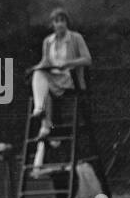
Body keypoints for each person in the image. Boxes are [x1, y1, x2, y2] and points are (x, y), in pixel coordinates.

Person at [29, 9, 92, 138]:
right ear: (52, 24)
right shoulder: (48, 41)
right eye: (56, 21)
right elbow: (45, 61)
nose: (60, 24)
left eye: (62, 20)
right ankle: (43, 116)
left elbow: (87, 59)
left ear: (67, 22)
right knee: (38, 74)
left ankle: (45, 124)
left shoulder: (76, 37)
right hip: (53, 79)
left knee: (43, 83)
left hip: (70, 79)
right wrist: (37, 67)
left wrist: (68, 63)